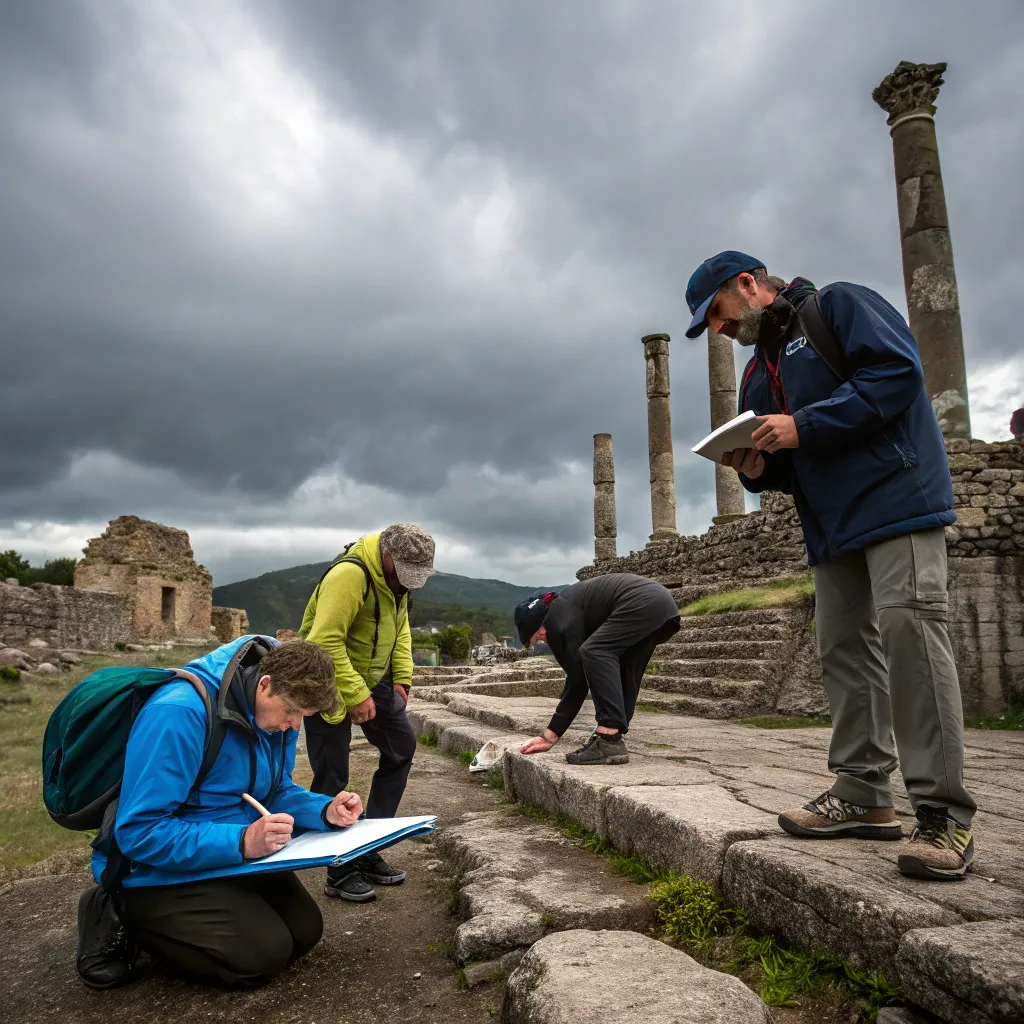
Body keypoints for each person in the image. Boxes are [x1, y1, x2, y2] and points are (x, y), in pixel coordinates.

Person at [684, 250, 976, 880]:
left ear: (748, 285)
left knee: (912, 635)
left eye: (716, 313)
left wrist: (804, 425)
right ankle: (864, 794)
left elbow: (898, 374)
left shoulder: (839, 305)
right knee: (842, 648)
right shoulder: (757, 377)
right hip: (833, 525)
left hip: (899, 500)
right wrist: (759, 471)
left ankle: (943, 815)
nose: (717, 330)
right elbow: (793, 456)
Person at [78, 638, 363, 989]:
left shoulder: (276, 714)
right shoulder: (179, 714)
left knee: (305, 932)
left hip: (226, 854)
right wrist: (242, 841)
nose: (292, 726)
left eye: (301, 718)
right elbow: (139, 831)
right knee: (260, 956)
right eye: (290, 713)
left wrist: (324, 809)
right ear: (264, 684)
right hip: (155, 870)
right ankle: (116, 911)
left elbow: (275, 790)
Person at [300, 522, 435, 902]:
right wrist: (356, 693)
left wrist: (402, 680)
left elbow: (402, 628)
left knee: (400, 749)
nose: (407, 584)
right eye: (404, 574)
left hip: (374, 676)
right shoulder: (350, 575)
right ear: (387, 557)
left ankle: (366, 844)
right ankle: (339, 866)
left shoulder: (396, 584)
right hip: (326, 679)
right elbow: (323, 641)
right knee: (333, 772)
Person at [514, 573, 680, 765]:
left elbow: (577, 681)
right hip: (662, 607)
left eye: (538, 637)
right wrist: (550, 735)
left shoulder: (559, 617)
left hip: (642, 602)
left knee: (594, 650)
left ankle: (608, 736)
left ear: (540, 626)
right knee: (625, 664)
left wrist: (549, 736)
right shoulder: (564, 604)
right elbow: (580, 678)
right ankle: (612, 736)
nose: (543, 640)